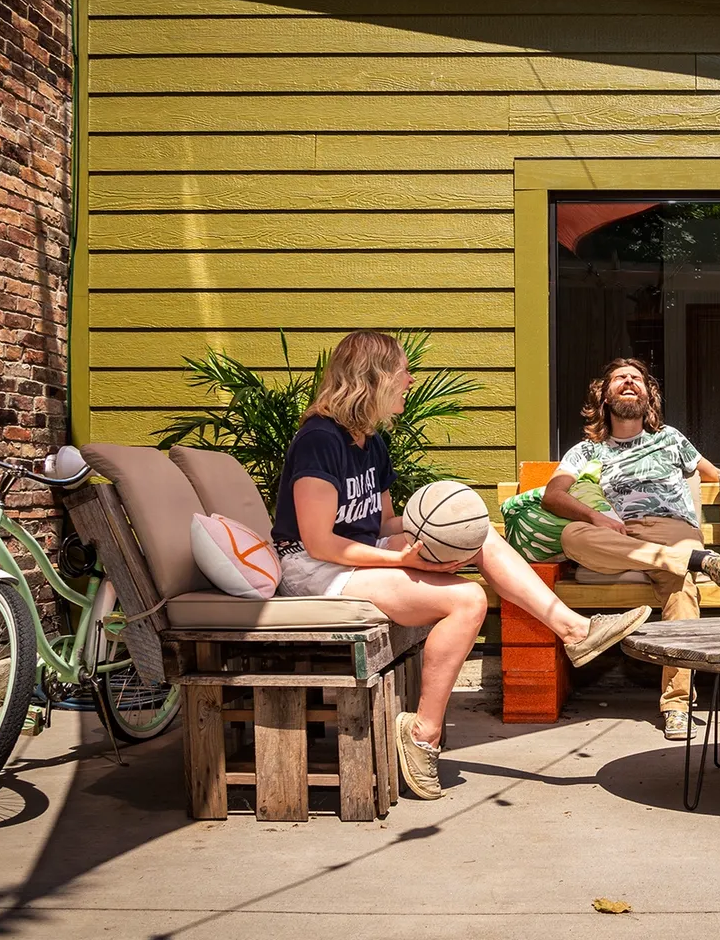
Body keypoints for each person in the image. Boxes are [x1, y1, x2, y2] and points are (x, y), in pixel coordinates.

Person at [270, 331, 650, 801]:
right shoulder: (319, 439)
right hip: (313, 570)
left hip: (359, 556)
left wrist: (437, 528)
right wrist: (399, 558)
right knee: (466, 600)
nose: (410, 380)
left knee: (478, 532)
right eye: (402, 372)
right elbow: (318, 540)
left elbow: (384, 519)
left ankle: (574, 631)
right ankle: (422, 736)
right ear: (374, 378)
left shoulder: (371, 442)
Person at [546, 357, 720, 741]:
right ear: (604, 394)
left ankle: (677, 705)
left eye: (637, 378)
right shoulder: (587, 450)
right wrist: (594, 517)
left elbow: (718, 477)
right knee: (572, 536)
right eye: (620, 378)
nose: (629, 382)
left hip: (673, 531)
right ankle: (691, 562)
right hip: (620, 534)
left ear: (649, 393)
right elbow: (553, 496)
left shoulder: (670, 438)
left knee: (682, 592)